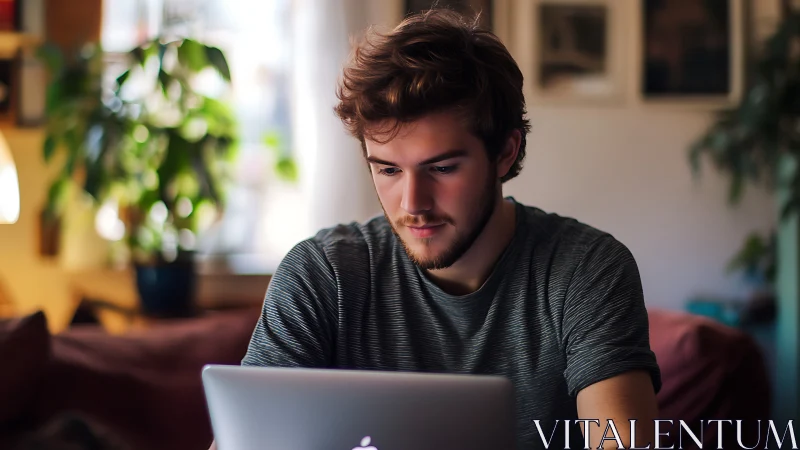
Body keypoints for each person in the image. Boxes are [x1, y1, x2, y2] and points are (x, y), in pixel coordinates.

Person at [211, 7, 661, 450]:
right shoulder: (322, 274)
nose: (412, 205)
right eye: (387, 170)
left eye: (442, 168)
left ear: (505, 152)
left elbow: (622, 441)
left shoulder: (586, 270)